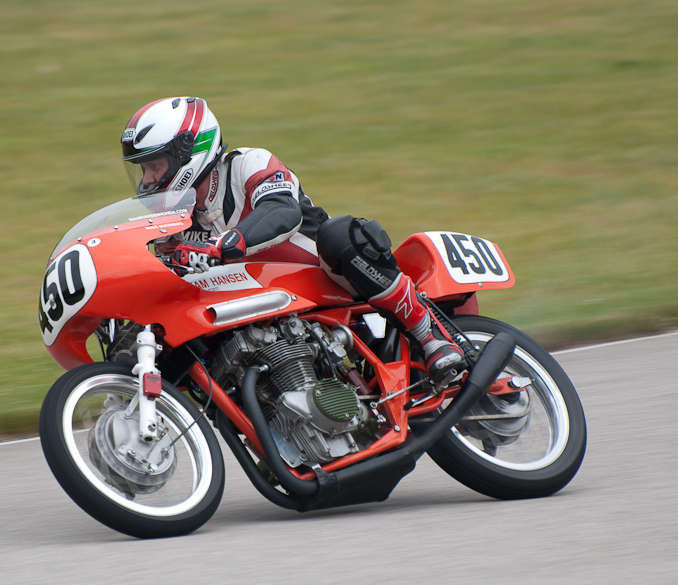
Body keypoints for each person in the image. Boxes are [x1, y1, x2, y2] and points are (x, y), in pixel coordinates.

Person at [120, 96, 466, 385]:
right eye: (143, 169)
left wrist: (224, 244)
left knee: (341, 233)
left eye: (155, 166)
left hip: (329, 279)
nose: (148, 180)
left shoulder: (248, 164)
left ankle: (430, 336)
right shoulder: (170, 220)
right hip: (260, 314)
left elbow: (282, 211)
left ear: (188, 153)